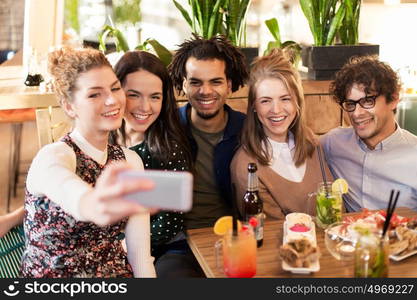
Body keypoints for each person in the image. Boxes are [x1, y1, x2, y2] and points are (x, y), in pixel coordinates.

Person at [21, 47, 156, 278]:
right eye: (95, 94)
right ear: (69, 106)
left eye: (115, 88)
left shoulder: (131, 161)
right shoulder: (53, 156)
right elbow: (72, 193)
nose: (112, 100)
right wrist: (95, 204)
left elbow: (140, 255)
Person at [110, 50, 193, 277]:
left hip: (165, 247)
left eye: (155, 97)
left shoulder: (168, 149)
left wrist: (123, 247)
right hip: (110, 247)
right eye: (134, 95)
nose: (145, 107)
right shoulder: (102, 139)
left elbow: (168, 223)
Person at [230, 49, 333, 219]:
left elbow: (334, 208)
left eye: (285, 99)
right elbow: (269, 232)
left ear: (297, 102)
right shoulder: (245, 166)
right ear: (254, 106)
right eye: (265, 101)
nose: (276, 110)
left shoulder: (311, 142)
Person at [168, 34, 249, 229]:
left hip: (234, 236)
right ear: (184, 84)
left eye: (215, 82)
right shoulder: (168, 128)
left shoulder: (247, 129)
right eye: (196, 82)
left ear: (228, 86)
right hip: (179, 241)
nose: (205, 91)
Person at [321, 55, 417, 212]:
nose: (357, 113)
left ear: (393, 99)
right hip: (344, 234)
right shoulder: (333, 142)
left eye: (367, 101)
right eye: (351, 104)